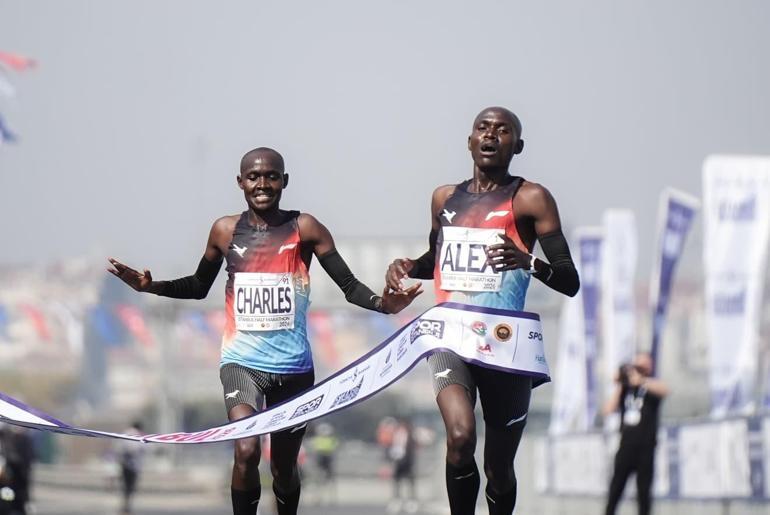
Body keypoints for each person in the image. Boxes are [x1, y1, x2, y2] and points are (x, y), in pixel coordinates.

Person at [108, 147, 421, 515]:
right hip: (242, 364)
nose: (262, 184)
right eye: (253, 177)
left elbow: (349, 287)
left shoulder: (305, 228)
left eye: (271, 176)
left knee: (284, 468)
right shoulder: (225, 230)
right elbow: (197, 285)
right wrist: (152, 286)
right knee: (245, 450)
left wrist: (385, 305)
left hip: (294, 371)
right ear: (240, 183)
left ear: (284, 181)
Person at [386, 107, 579, 515]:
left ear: (517, 145)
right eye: (482, 128)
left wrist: (525, 260)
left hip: (506, 346)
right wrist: (407, 266)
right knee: (459, 438)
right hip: (450, 338)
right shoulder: (444, 198)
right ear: (470, 141)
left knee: (498, 467)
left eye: (502, 130)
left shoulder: (531, 198)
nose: (491, 135)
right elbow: (436, 259)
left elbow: (568, 280)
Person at [603, 352, 668, 515]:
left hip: (646, 447)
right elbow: (608, 410)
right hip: (626, 446)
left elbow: (665, 390)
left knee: (644, 493)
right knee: (616, 488)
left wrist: (642, 381)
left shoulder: (651, 387)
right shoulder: (626, 389)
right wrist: (621, 383)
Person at [0, 424, 34, 515]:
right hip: (9, 472)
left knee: (9, 493)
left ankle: (12, 508)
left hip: (11, 473)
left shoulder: (15, 437)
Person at [387, 417, 417, 514]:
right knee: (397, 481)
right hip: (398, 460)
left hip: (407, 460)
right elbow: (393, 446)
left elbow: (411, 448)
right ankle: (397, 500)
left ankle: (411, 501)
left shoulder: (409, 434)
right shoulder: (396, 433)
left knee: (409, 481)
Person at [115, 422, 144, 514]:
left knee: (125, 486)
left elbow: (119, 448)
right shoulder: (139, 435)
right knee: (130, 487)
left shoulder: (125, 433)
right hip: (133, 466)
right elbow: (140, 450)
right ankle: (127, 506)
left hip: (124, 464)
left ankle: (125, 505)